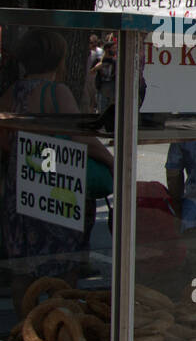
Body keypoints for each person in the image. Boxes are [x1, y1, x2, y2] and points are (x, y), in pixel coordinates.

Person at [1, 30, 114, 300]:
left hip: (20, 191)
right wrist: (112, 161)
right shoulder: (56, 92)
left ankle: (26, 328)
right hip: (56, 191)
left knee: (22, 271)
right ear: (59, 60)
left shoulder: (12, 92)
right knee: (64, 268)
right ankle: (56, 324)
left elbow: (4, 141)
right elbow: (80, 136)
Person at [87, 37, 118, 114]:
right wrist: (98, 67)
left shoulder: (115, 61)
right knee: (102, 109)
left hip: (112, 87)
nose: (115, 50)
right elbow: (91, 72)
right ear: (107, 49)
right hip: (102, 86)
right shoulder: (98, 60)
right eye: (113, 48)